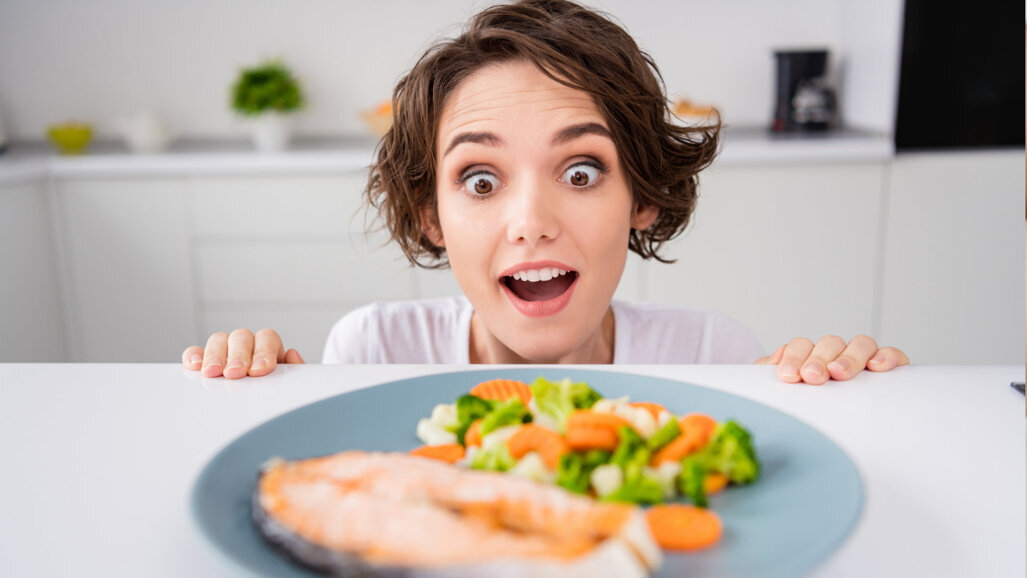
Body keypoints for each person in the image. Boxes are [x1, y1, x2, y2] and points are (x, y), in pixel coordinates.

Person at [182, 0, 908, 384]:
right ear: (432, 216)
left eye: (580, 172)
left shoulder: (712, 357)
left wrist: (851, 395)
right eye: (480, 180)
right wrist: (254, 393)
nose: (530, 222)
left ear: (643, 197)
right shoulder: (371, 352)